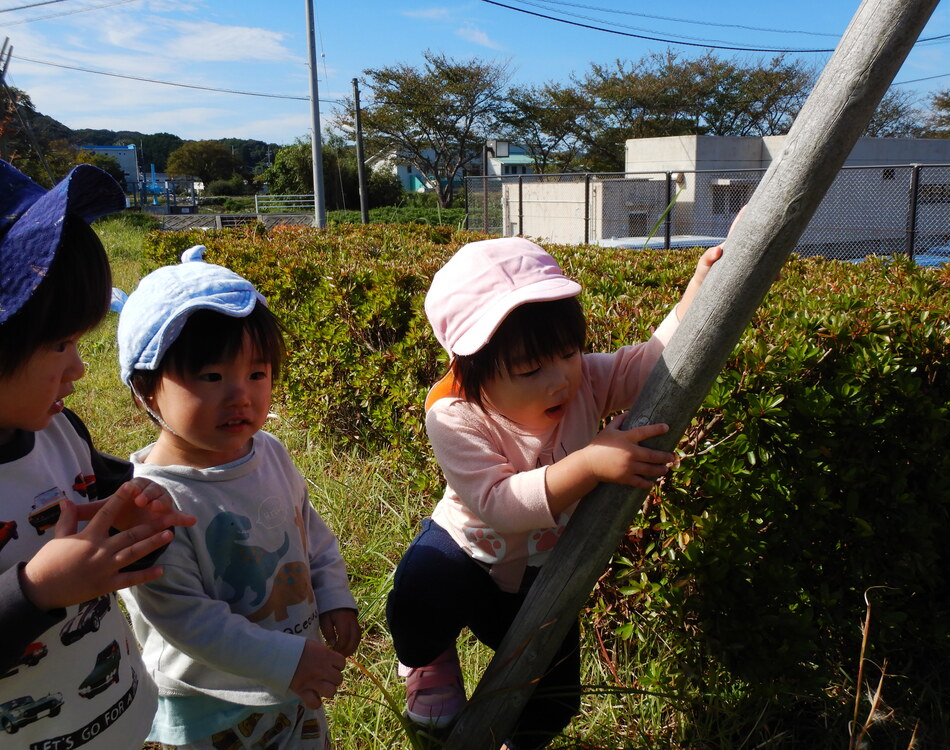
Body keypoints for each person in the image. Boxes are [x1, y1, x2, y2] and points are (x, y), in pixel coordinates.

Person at [386, 235, 723, 749]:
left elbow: (647, 364)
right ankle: (430, 662)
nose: (560, 380)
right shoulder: (453, 413)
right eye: (529, 370)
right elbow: (499, 505)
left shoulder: (584, 379)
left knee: (554, 697)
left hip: (543, 574)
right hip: (469, 552)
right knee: (420, 594)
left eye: (568, 353)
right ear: (470, 372)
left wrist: (698, 291)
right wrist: (588, 464)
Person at [115, 251, 361, 750]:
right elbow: (187, 618)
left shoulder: (268, 453)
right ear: (146, 389)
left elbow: (309, 532)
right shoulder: (147, 500)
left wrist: (334, 594)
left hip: (294, 687)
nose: (241, 396)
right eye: (212, 377)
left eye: (257, 373)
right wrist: (287, 661)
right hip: (212, 709)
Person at [0, 159, 196, 748]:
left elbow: (104, 497)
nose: (79, 369)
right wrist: (33, 589)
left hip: (120, 716)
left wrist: (137, 504)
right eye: (59, 344)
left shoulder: (61, 430)